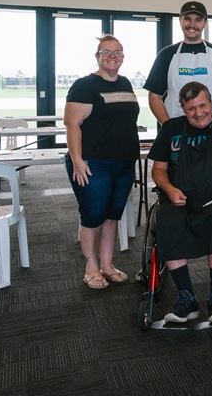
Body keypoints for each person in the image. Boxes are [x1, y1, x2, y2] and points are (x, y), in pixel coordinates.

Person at [148, 82, 212, 323]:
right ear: (183, 109)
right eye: (191, 108)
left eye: (203, 105)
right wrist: (169, 189)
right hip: (180, 197)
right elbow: (158, 169)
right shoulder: (171, 128)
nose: (198, 113)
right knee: (167, 220)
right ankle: (186, 298)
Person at [65, 35, 140, 290]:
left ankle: (108, 265)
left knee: (112, 215)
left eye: (117, 52)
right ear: (97, 56)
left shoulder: (126, 83)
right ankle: (91, 268)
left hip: (124, 162)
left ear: (123, 57)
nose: (112, 56)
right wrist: (77, 160)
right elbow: (72, 124)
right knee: (93, 215)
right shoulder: (85, 85)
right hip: (93, 163)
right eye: (106, 52)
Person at [144, 1, 212, 124]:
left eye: (198, 20)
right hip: (177, 129)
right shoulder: (166, 55)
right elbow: (154, 96)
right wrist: (168, 127)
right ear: (180, 20)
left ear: (205, 23)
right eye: (187, 19)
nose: (192, 24)